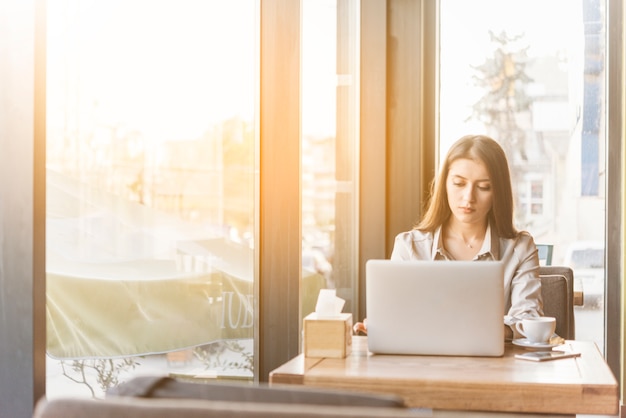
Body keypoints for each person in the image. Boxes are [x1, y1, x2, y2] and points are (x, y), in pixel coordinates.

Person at [354, 134, 543, 340]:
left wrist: (494, 330)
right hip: (423, 366)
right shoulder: (409, 247)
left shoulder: (520, 248)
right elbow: (393, 314)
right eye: (459, 183)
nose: (468, 197)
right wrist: (382, 326)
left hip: (496, 368)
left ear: (498, 192)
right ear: (444, 184)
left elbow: (529, 317)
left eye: (483, 187)